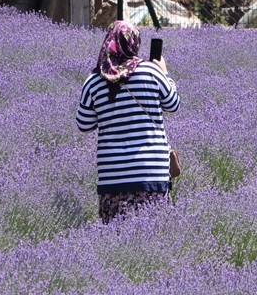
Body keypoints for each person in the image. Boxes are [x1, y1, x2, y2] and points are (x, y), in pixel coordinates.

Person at [76, 20, 180, 223]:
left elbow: (83, 124)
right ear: (135, 44)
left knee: (114, 236)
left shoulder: (94, 81)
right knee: (154, 235)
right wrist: (165, 73)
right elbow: (173, 104)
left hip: (113, 176)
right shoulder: (152, 72)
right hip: (151, 173)